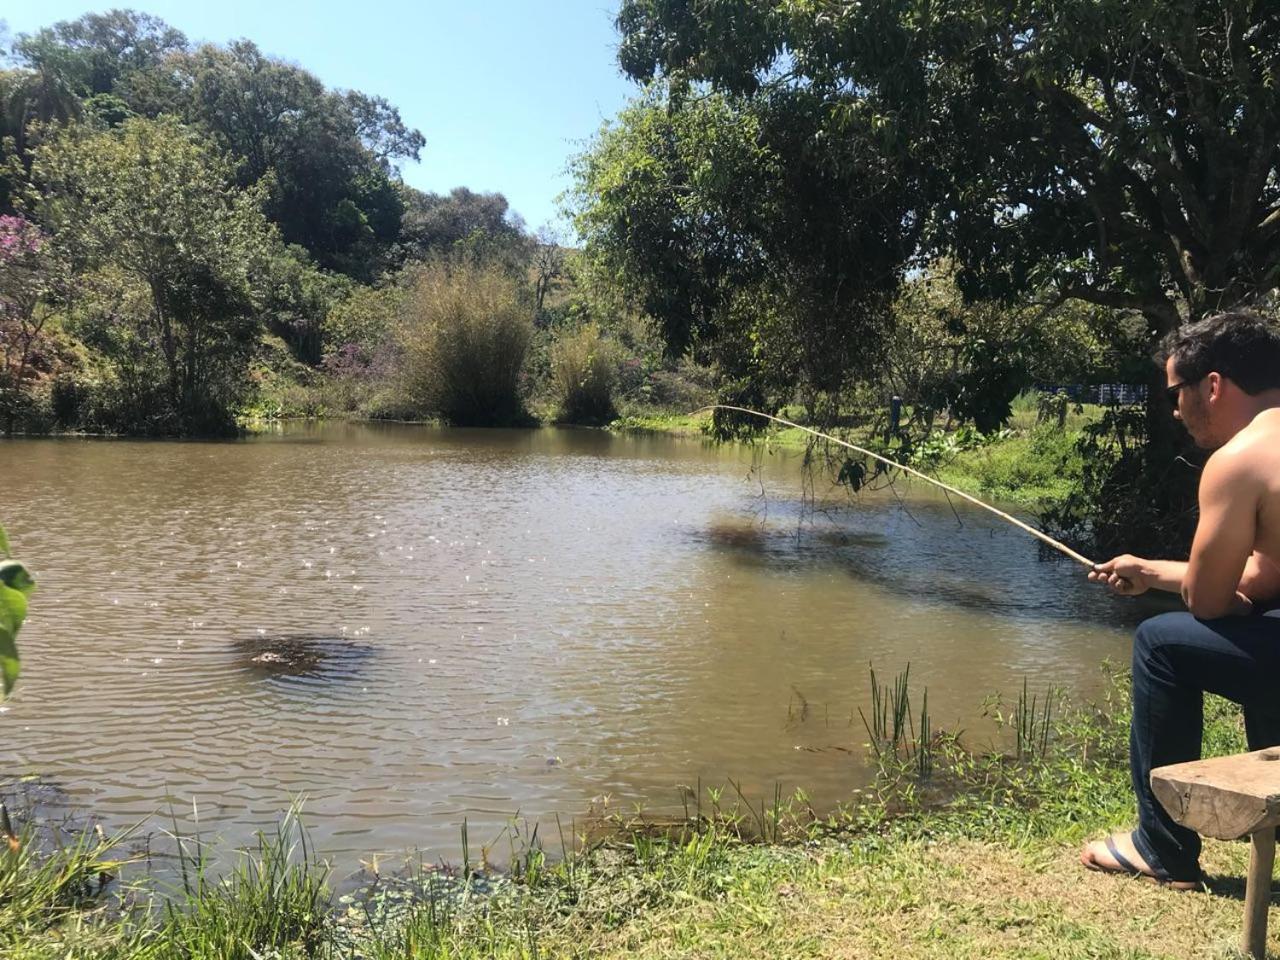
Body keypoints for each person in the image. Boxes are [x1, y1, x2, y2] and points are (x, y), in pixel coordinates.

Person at [1082, 309, 1280, 890]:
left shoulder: (1239, 460)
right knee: (1261, 630)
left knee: (1162, 643)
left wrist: (1219, 596)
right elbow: (1268, 572)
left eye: (1177, 392)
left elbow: (1210, 604)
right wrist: (1148, 570)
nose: (1174, 409)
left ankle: (1162, 846)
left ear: (1212, 386)